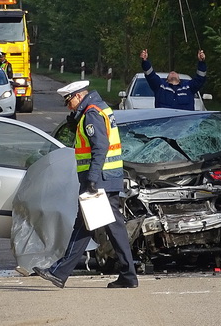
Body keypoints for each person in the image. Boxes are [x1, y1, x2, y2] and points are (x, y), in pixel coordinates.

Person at [33, 80, 139, 289]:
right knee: (99, 227)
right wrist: (74, 118)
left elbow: (100, 147)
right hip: (106, 178)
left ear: (79, 96)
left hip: (99, 180)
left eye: (68, 101)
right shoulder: (97, 109)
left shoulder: (91, 113)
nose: (68, 105)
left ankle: (59, 272)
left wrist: (92, 178)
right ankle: (128, 275)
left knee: (88, 227)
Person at [140, 48, 206, 110]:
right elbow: (150, 75)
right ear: (167, 79)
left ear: (179, 79)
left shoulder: (189, 87)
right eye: (171, 73)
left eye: (174, 73)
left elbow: (200, 78)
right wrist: (145, 61)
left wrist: (201, 62)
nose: (173, 73)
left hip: (186, 121)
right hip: (165, 121)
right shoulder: (160, 87)